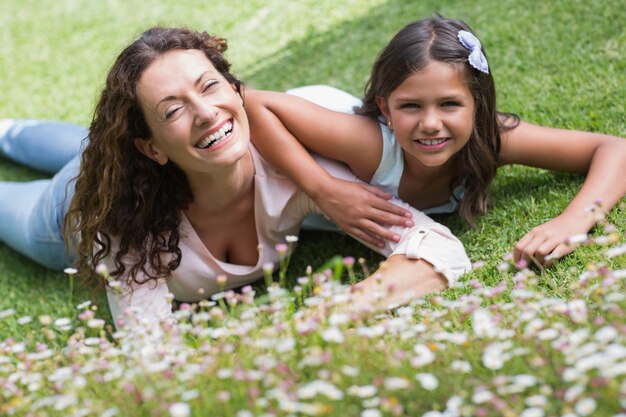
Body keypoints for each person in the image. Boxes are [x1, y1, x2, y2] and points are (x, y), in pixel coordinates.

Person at [0, 27, 470, 330]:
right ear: (152, 146)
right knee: (75, 164)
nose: (206, 113)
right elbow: (149, 354)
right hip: (69, 210)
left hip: (148, 158)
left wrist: (336, 312)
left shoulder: (296, 166)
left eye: (209, 87)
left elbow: (439, 248)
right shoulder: (129, 226)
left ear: (235, 90)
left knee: (93, 144)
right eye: (175, 109)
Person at [245, 15, 626, 266]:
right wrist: (325, 189)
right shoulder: (370, 143)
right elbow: (252, 102)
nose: (431, 123)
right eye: (410, 105)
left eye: (449, 104)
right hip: (274, 145)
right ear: (386, 109)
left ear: (478, 105)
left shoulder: (491, 139)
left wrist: (573, 220)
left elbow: (614, 148)